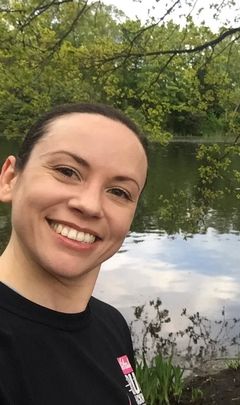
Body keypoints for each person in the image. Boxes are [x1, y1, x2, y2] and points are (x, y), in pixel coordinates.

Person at [0, 103, 148, 404]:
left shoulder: (111, 325)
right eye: (67, 171)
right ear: (10, 179)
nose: (90, 205)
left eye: (120, 192)